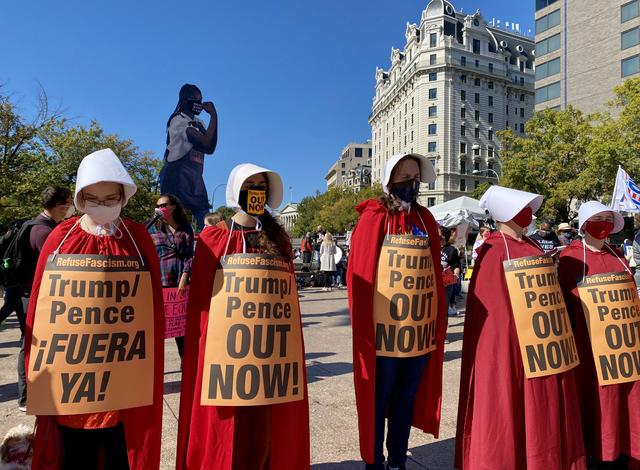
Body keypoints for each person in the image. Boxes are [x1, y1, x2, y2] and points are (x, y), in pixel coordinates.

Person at [24, 149, 165, 469]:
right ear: (80, 197)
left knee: (118, 455)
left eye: (110, 198)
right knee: (76, 457)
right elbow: (40, 305)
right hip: (73, 391)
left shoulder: (138, 238)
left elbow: (152, 309)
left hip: (123, 389)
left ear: (123, 197)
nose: (102, 206)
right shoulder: (61, 237)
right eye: (94, 199)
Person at [176, 163, 310, 470]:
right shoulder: (214, 240)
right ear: (237, 190)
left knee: (263, 437)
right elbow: (203, 308)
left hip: (268, 356)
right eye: (251, 184)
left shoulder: (278, 240)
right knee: (229, 435)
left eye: (261, 185)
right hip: (229, 356)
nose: (257, 191)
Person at [455, 185, 586, 470]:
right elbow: (494, 313)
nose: (530, 214)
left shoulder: (533, 245)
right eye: (523, 208)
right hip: (516, 345)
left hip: (544, 344)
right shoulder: (492, 249)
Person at [347, 153, 447, 470]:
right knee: (380, 398)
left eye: (416, 177)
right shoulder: (375, 216)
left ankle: (397, 459)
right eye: (405, 176)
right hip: (383, 332)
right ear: (392, 179)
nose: (412, 183)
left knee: (405, 397)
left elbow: (432, 269)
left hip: (416, 329)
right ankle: (375, 461)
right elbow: (360, 271)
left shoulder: (425, 219)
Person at [558, 201, 640, 469]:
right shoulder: (570, 258)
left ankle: (623, 447)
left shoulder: (618, 256)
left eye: (608, 218)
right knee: (593, 400)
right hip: (587, 347)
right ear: (584, 224)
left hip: (622, 350)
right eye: (598, 218)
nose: (604, 223)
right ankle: (594, 450)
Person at [4, 187, 73, 412]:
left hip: (30, 293)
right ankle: (26, 396)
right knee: (30, 344)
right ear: (58, 205)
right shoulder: (43, 231)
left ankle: (32, 394)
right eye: (68, 203)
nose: (70, 208)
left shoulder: (41, 225)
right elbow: (58, 265)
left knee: (31, 343)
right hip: (33, 296)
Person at [159, 84, 218, 228]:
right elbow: (206, 144)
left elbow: (211, 145)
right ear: (184, 100)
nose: (198, 103)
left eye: (200, 100)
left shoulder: (199, 122)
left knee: (204, 213)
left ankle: (208, 244)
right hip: (176, 176)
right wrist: (214, 115)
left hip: (194, 175)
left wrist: (212, 119)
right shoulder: (178, 121)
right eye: (194, 99)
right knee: (175, 220)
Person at [148, 193, 194, 358]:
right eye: (158, 206)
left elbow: (189, 255)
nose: (160, 209)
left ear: (173, 207)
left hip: (180, 284)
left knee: (180, 328)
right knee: (158, 327)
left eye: (164, 205)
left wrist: (184, 277)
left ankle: (185, 364)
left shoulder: (185, 228)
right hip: (160, 283)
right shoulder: (152, 228)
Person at [439, 226, 460, 317]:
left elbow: (456, 266)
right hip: (432, 282)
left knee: (443, 308)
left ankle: (443, 329)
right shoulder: (430, 246)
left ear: (444, 237)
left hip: (446, 284)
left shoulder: (452, 250)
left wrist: (456, 274)